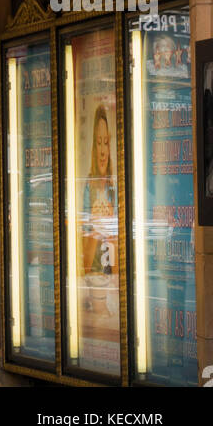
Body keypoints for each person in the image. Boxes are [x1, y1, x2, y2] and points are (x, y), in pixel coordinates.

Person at [82, 105, 117, 291]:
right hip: (93, 285)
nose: (103, 151)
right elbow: (85, 266)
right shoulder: (89, 187)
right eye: (98, 142)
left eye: (106, 142)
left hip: (113, 285)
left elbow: (121, 268)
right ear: (93, 148)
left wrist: (111, 231)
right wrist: (96, 229)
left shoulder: (114, 188)